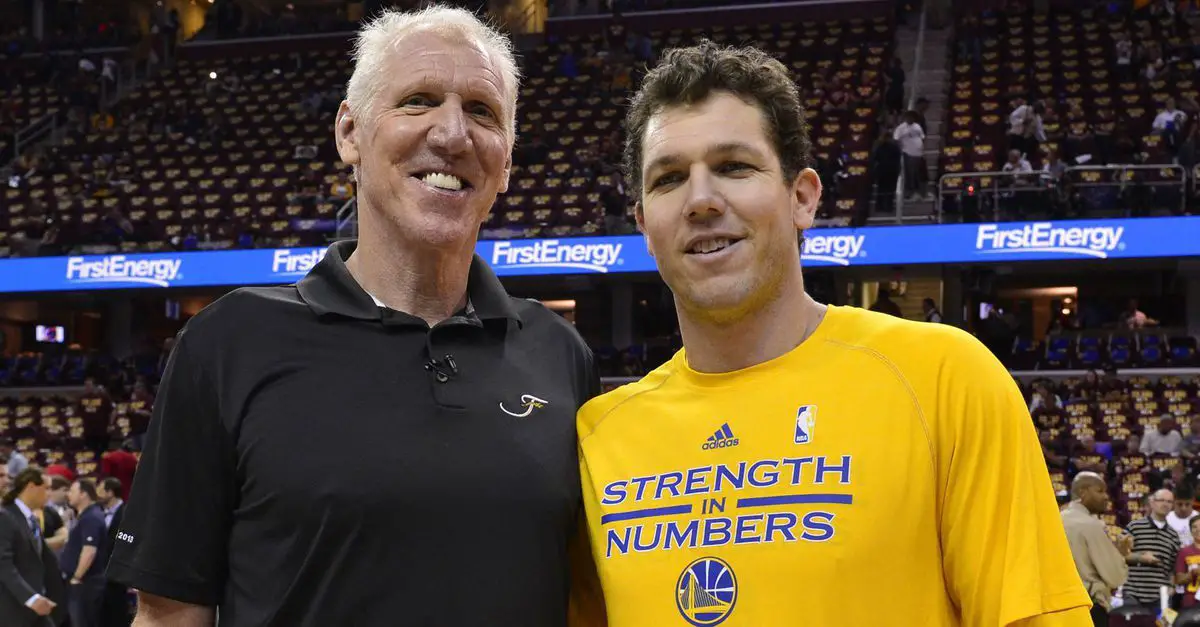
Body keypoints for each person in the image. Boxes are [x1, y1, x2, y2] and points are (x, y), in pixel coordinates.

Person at [107, 6, 600, 627]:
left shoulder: (560, 355)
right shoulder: (228, 343)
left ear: (504, 163)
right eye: (417, 100)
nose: (452, 134)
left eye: (482, 111)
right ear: (350, 133)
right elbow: (168, 615)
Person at [576, 40, 1091, 626]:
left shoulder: (944, 379)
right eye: (669, 178)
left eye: (734, 167)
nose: (700, 200)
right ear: (644, 224)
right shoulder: (599, 436)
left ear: (802, 198)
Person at [1061, 472, 1130, 627]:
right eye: (1099, 491)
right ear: (1082, 493)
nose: (1106, 497)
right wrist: (1121, 554)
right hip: (1089, 605)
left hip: (1060, 606)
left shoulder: (1058, 519)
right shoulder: (1090, 525)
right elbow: (1115, 576)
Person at [0, 467, 66, 627]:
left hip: (37, 607)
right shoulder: (6, 516)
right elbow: (3, 564)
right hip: (15, 608)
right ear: (31, 486)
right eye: (47, 488)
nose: (49, 494)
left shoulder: (30, 518)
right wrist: (31, 598)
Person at [1125, 489, 1182, 607]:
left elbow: (1172, 568)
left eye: (1169, 501)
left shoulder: (1174, 535)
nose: (1165, 504)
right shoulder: (1134, 526)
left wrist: (1172, 586)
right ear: (1152, 502)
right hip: (1133, 592)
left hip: (1161, 596)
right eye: (1161, 500)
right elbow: (1118, 554)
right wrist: (1140, 558)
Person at [62, 478, 107, 627]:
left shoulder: (91, 517)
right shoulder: (85, 516)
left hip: (85, 583)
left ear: (83, 494)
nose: (68, 494)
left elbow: (89, 551)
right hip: (83, 582)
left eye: (72, 491)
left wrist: (76, 577)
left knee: (82, 622)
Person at [1175, 516, 1200, 610]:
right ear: (1190, 530)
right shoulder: (1184, 552)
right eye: (1194, 527)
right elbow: (1179, 580)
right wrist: (1192, 573)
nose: (1198, 529)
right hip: (1190, 601)